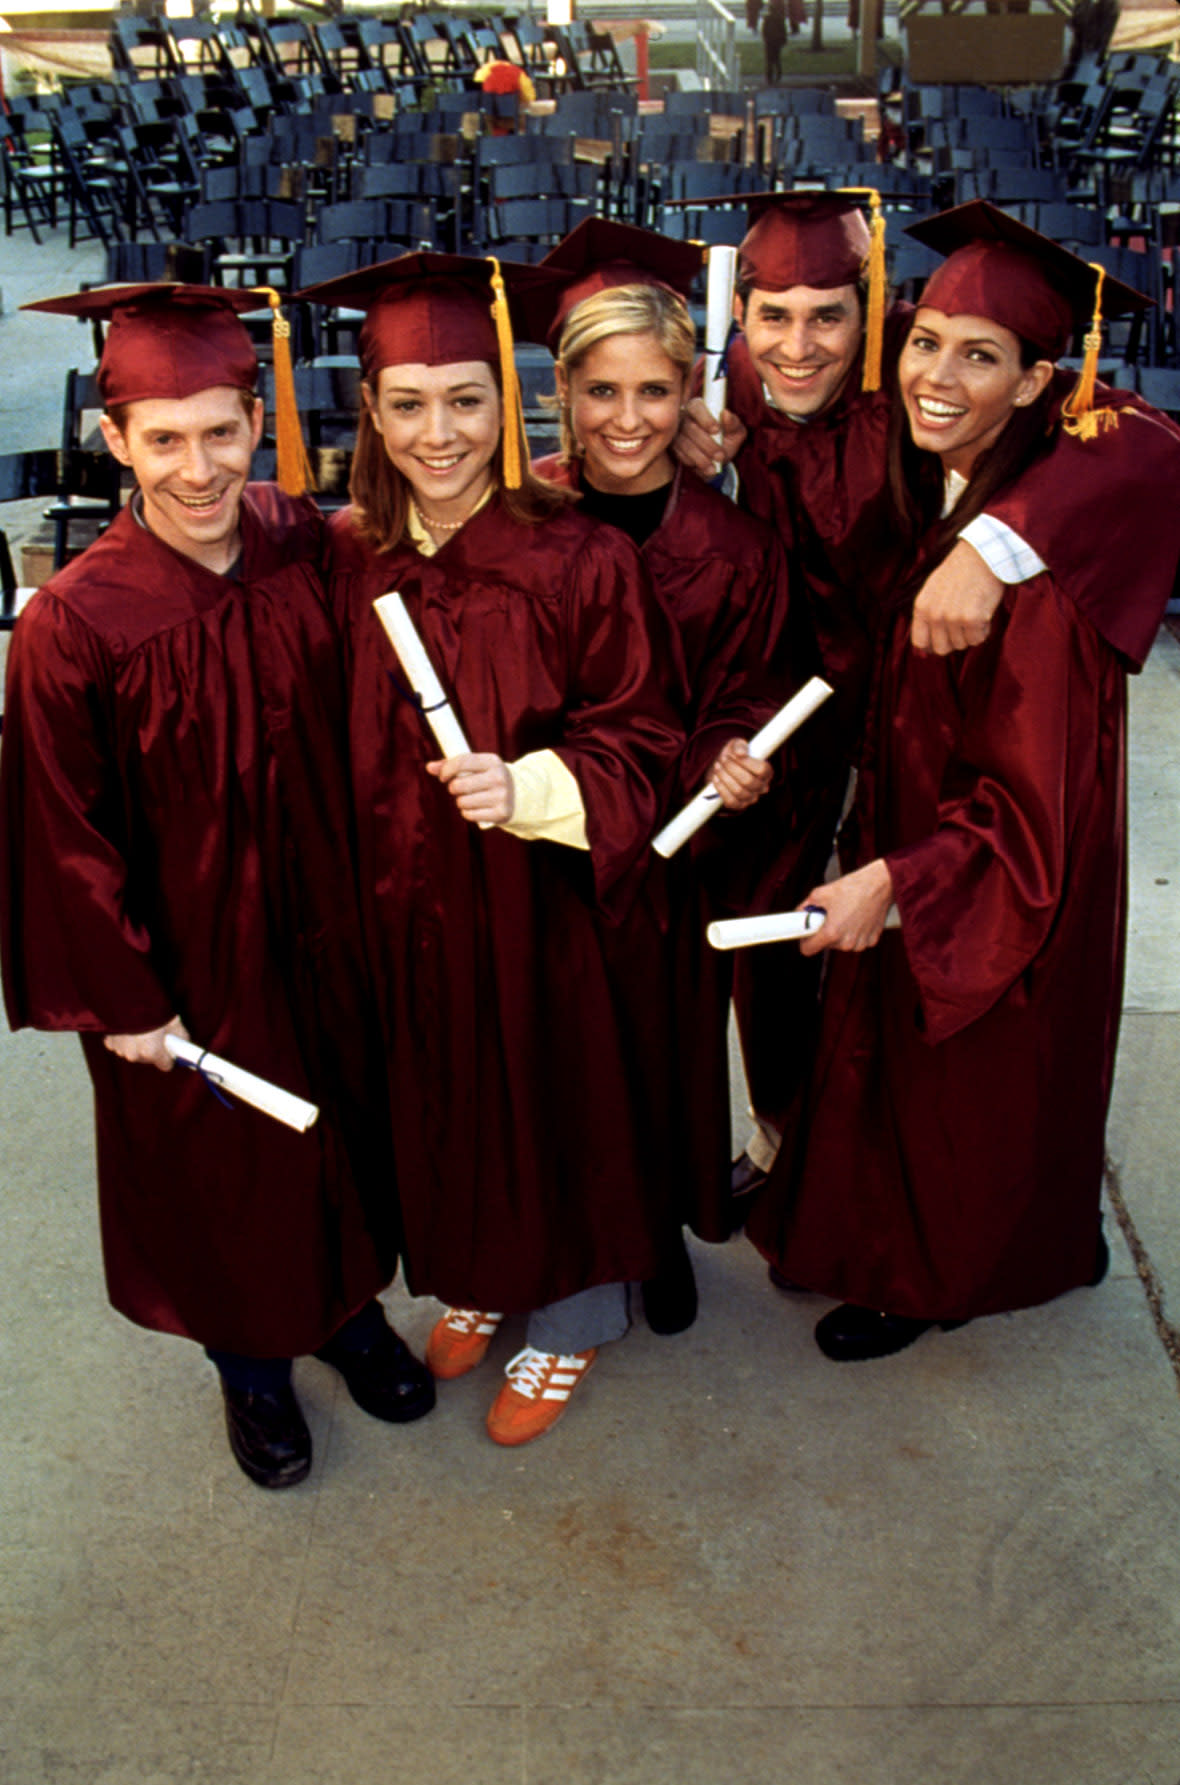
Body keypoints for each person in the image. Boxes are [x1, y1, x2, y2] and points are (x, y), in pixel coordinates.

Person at [0, 284, 434, 1491]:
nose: (197, 468)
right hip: (186, 961)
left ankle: (347, 1318)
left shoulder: (303, 542)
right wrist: (120, 999)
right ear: (114, 437)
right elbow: (55, 830)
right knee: (221, 1170)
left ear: (259, 417)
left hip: (328, 922)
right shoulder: (75, 627)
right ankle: (249, 1371)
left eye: (221, 431)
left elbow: (430, 547)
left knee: (339, 1122)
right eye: (163, 438)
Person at [675, 191, 1180, 1218]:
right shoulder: (731, 381)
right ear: (743, 316)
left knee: (903, 951)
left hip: (929, 711)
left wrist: (996, 547)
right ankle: (784, 1140)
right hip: (793, 718)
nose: (799, 346)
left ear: (875, 312)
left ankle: (888, 1171)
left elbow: (1139, 437)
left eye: (830, 315)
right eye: (773, 316)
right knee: (772, 950)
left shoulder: (920, 362)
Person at [298, 251, 685, 1445]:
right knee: (439, 1089)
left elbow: (647, 737)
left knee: (551, 1093)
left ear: (507, 404)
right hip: (404, 900)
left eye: (466, 399)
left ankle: (572, 1318)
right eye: (407, 404)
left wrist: (529, 784)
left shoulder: (577, 557)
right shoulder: (349, 553)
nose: (439, 432)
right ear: (368, 410)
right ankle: (480, 1269)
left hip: (541, 906)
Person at [524, 219, 796, 1325]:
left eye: (654, 391)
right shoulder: (519, 515)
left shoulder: (734, 548)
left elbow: (753, 685)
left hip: (668, 855)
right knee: (549, 1058)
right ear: (562, 390)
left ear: (691, 390)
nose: (627, 421)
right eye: (602, 392)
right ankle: (562, 1243)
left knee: (655, 1055)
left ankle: (656, 1238)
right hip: (541, 847)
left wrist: (733, 755)